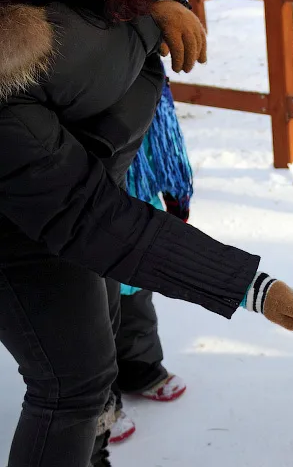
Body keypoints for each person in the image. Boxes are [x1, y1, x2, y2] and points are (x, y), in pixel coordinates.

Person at [0, 0, 293, 466]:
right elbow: (83, 215)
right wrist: (250, 287)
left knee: (103, 354)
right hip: (30, 234)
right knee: (72, 388)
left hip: (108, 184)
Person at [109, 78, 196, 444]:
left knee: (136, 292)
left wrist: (175, 186)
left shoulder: (141, 52)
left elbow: (162, 120)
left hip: (135, 197)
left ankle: (140, 368)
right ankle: (95, 402)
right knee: (87, 309)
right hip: (76, 201)